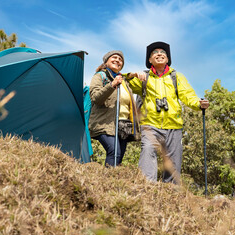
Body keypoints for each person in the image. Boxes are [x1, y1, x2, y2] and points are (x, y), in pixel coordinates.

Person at [127, 41, 209, 184]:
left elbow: (188, 95)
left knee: (173, 164)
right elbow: (122, 81)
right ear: (150, 60)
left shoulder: (176, 77)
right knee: (147, 151)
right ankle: (147, 189)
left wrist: (199, 104)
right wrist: (132, 74)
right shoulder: (143, 77)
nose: (159, 54)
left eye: (163, 52)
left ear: (168, 58)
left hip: (173, 126)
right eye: (155, 53)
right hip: (150, 125)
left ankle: (171, 194)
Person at [89, 50, 139, 167]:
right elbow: (96, 98)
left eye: (120, 59)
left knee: (119, 156)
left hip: (123, 125)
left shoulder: (124, 81)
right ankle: (107, 182)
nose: (118, 60)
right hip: (105, 123)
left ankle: (113, 181)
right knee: (114, 152)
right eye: (114, 57)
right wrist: (111, 85)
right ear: (106, 61)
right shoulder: (100, 76)